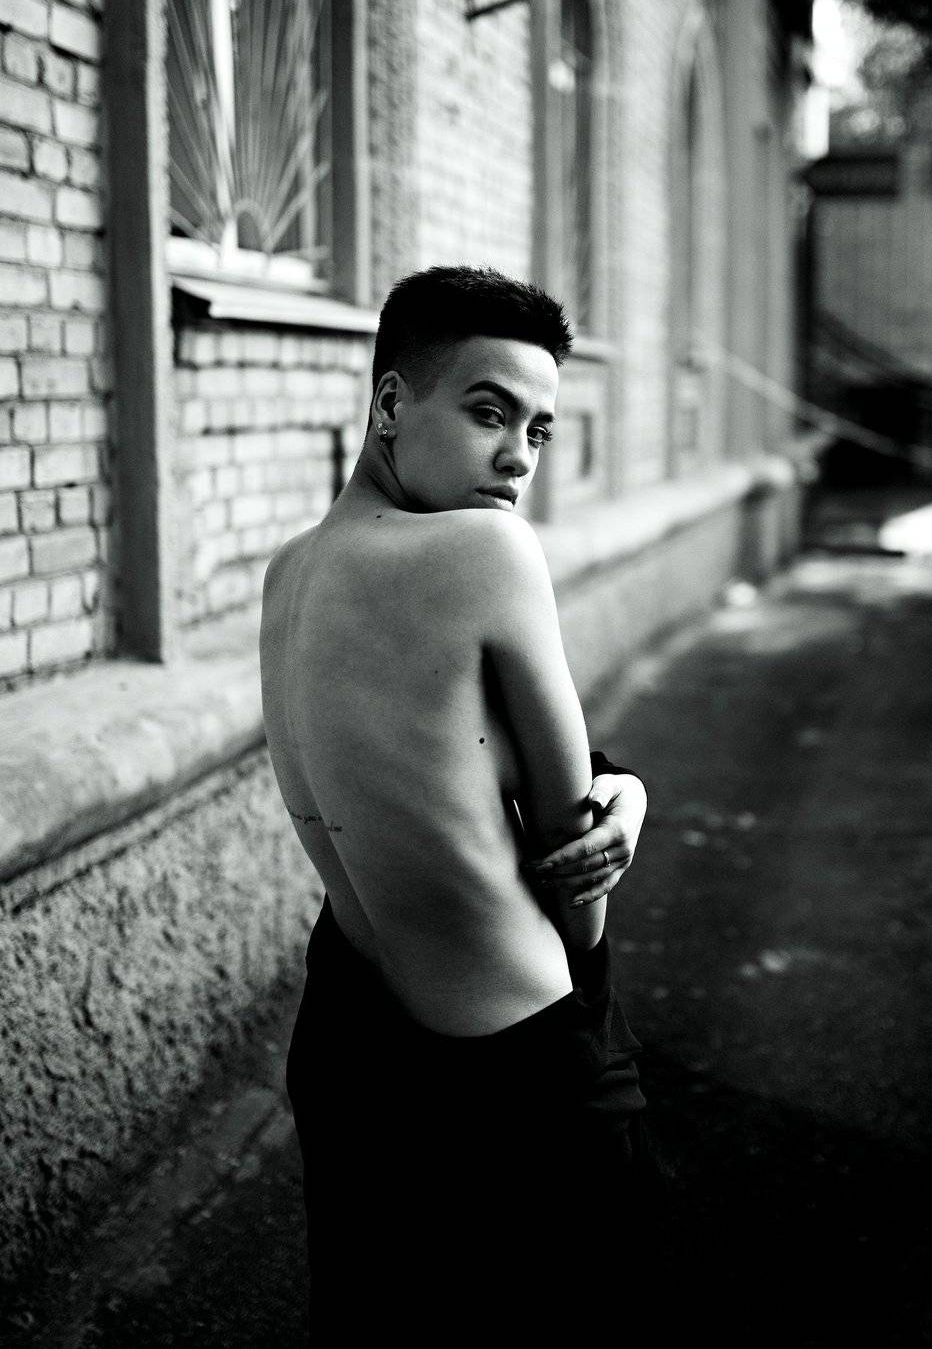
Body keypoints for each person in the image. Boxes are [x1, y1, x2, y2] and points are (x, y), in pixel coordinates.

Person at [260, 266, 655, 1337]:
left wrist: (619, 784)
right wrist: (617, 816)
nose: (519, 457)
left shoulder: (289, 573)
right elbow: (575, 870)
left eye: (539, 429)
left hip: (350, 1052)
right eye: (489, 413)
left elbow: (448, 756)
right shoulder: (486, 550)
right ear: (391, 402)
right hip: (514, 1070)